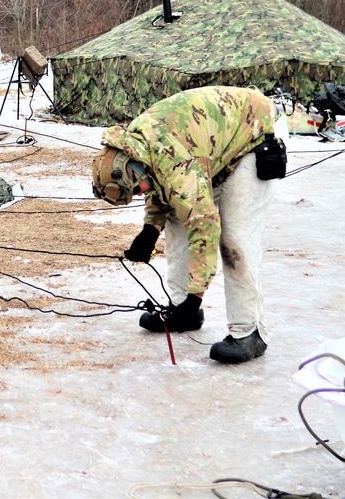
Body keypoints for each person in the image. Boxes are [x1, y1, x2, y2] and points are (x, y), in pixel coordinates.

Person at [90, 86, 284, 364]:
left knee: (234, 239)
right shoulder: (138, 146)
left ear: (131, 168)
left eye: (136, 190)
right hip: (209, 148)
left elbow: (203, 226)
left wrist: (196, 295)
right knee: (175, 218)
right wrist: (151, 228)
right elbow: (160, 180)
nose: (140, 194)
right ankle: (183, 312)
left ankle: (249, 331)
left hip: (254, 134)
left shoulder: (171, 158)